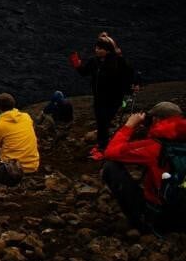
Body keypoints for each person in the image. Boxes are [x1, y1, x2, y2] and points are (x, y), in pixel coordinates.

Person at [102, 102, 186, 232]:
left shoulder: (156, 146)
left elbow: (110, 153)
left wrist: (129, 126)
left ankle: (142, 222)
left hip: (162, 219)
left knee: (110, 167)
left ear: (156, 119)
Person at [71, 32, 135, 159]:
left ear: (108, 50)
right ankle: (102, 145)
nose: (97, 50)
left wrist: (133, 87)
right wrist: (77, 65)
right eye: (96, 47)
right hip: (99, 97)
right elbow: (84, 72)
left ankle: (103, 148)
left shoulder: (118, 61)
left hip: (114, 98)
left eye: (100, 48)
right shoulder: (94, 61)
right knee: (101, 122)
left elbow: (130, 75)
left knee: (104, 122)